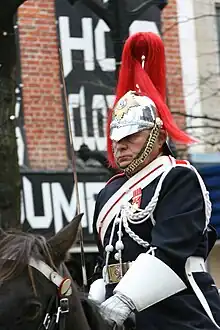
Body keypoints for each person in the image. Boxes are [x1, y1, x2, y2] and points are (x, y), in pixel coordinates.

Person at [88, 32, 220, 330]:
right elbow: (105, 261)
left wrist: (124, 300)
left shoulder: (178, 178)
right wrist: (95, 301)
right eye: (116, 139)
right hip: (116, 313)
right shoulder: (109, 192)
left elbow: (171, 250)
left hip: (179, 309)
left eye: (131, 137)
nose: (120, 145)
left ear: (159, 136)